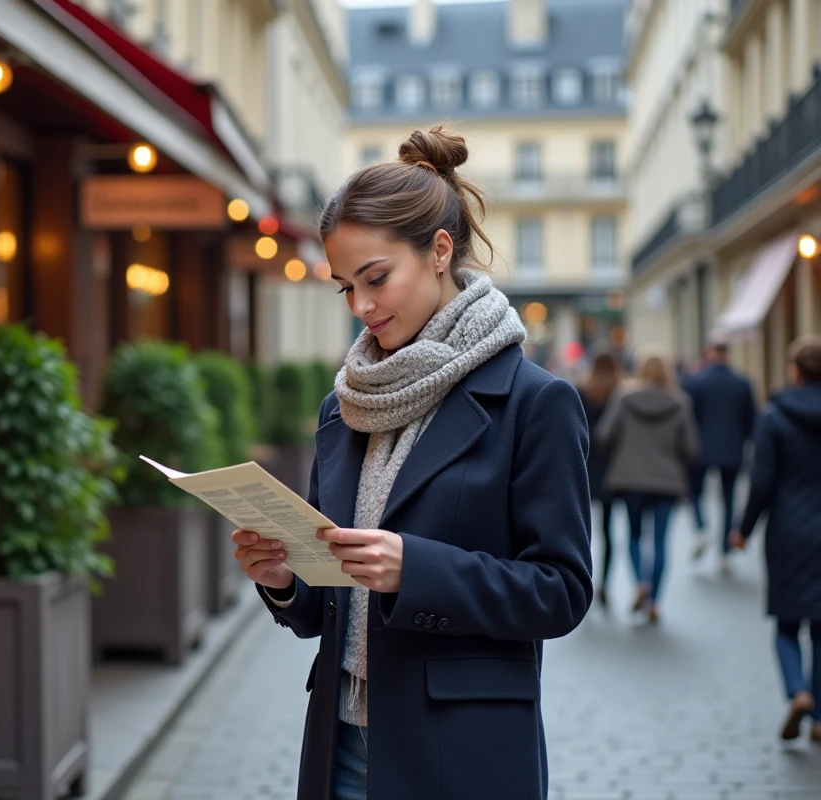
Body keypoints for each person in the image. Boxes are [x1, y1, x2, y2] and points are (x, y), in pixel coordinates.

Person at [231, 126, 593, 800]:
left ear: (439, 251)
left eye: (376, 278)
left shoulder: (536, 403)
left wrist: (414, 569)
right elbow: (323, 609)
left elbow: (562, 591)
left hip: (464, 750)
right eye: (345, 288)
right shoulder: (343, 408)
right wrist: (284, 579)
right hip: (340, 741)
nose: (362, 307)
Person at [730, 335, 821, 742]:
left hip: (788, 529)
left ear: (794, 370)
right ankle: (819, 717)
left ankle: (797, 692)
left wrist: (743, 529)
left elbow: (762, 480)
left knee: (787, 623)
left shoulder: (774, 415)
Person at [597, 351, 698, 624]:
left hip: (630, 479)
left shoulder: (624, 397)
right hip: (667, 481)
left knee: (634, 536)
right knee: (661, 541)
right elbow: (690, 448)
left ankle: (641, 582)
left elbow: (605, 434)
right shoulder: (680, 402)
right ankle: (654, 599)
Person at [682, 341, 756, 570]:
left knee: (694, 492)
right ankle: (725, 552)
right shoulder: (743, 383)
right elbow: (751, 420)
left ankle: (702, 527)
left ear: (709, 354)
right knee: (729, 500)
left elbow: (687, 418)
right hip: (732, 450)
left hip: (700, 449)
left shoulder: (695, 383)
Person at [577, 351, 624, 608]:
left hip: (584, 467)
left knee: (583, 531)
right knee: (608, 531)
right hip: (612, 468)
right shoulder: (621, 392)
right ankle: (605, 581)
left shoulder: (582, 390)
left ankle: (584, 580)